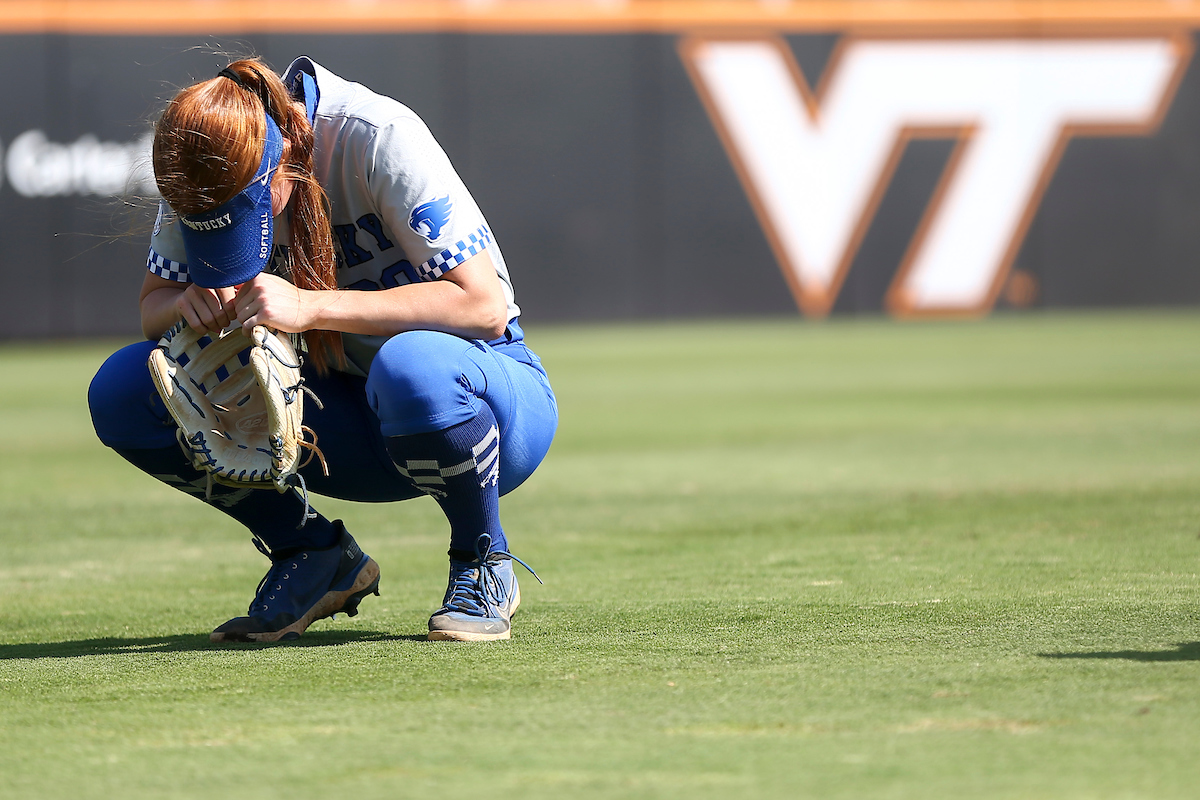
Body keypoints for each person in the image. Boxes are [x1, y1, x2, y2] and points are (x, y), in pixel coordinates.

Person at [88, 56, 558, 643]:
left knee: (411, 367)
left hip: (479, 408)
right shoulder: (203, 160)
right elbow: (152, 308)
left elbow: (484, 307)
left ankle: (481, 557)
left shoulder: (375, 135)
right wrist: (186, 306)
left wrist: (313, 306)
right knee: (124, 391)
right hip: (334, 426)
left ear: (281, 158)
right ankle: (309, 552)